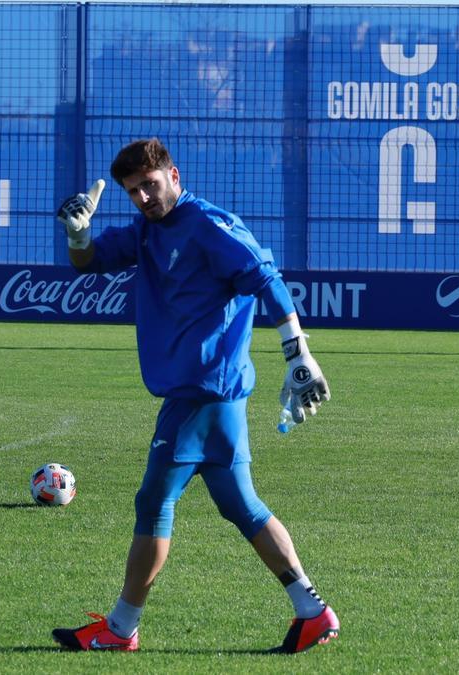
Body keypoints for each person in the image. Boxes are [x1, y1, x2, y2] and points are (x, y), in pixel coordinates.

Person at [51, 138, 338, 654]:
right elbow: (88, 261)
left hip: (200, 394)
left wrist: (298, 353)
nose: (143, 196)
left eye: (150, 184)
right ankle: (312, 611)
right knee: (242, 506)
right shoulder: (145, 232)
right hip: (213, 396)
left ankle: (119, 629)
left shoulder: (208, 224)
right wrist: (77, 232)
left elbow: (265, 277)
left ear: (174, 176)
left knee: (153, 503)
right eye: (133, 190)